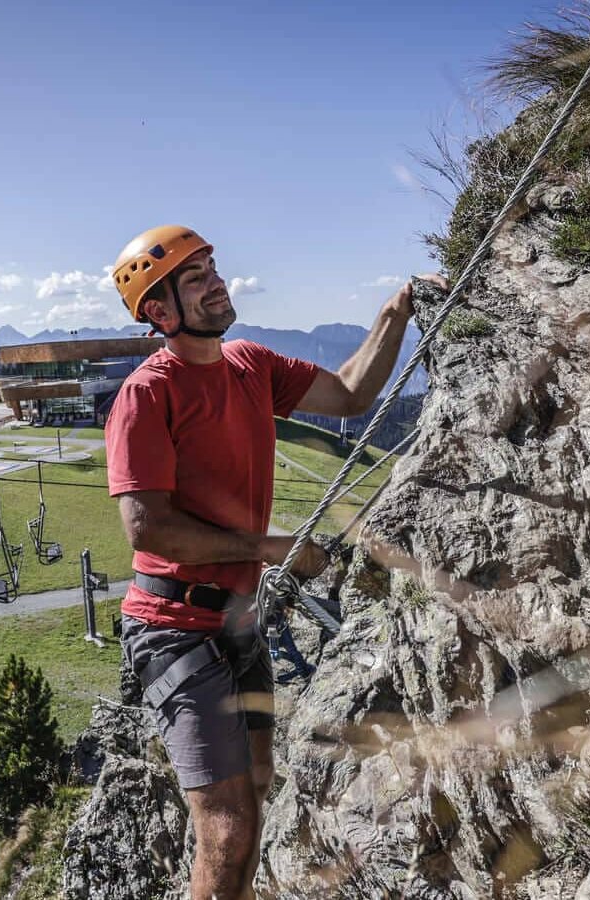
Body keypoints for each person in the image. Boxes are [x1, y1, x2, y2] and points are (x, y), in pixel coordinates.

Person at [105, 224, 446, 899]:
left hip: (235, 623)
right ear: (160, 310)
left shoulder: (251, 366)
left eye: (212, 268)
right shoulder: (148, 394)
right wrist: (268, 549)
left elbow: (351, 394)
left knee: (254, 799)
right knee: (227, 830)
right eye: (194, 277)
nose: (216, 281)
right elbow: (148, 528)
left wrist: (396, 310)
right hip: (172, 626)